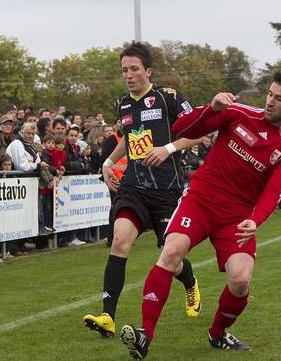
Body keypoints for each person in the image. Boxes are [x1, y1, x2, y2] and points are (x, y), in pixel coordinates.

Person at [120, 71, 281, 360]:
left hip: (237, 215)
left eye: (279, 98)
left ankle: (218, 333)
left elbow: (273, 193)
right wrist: (212, 108)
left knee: (241, 280)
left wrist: (255, 221)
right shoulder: (238, 113)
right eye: (270, 94)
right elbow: (183, 127)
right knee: (171, 252)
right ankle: (145, 334)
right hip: (201, 200)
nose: (270, 101)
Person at [83, 42, 201, 339]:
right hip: (134, 186)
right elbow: (127, 137)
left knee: (170, 256)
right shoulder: (123, 103)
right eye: (124, 70)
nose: (128, 75)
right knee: (120, 240)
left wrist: (168, 148)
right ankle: (107, 316)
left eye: (134, 69)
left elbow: (198, 132)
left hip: (166, 190)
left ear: (148, 71)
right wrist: (109, 162)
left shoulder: (168, 98)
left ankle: (189, 282)